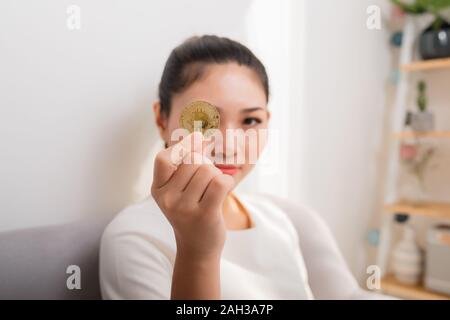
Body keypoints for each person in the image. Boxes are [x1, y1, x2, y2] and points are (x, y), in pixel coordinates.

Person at [100, 35, 386, 300]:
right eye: (204, 121)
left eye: (250, 121)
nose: (229, 145)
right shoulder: (133, 238)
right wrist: (197, 252)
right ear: (162, 120)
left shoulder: (278, 220)